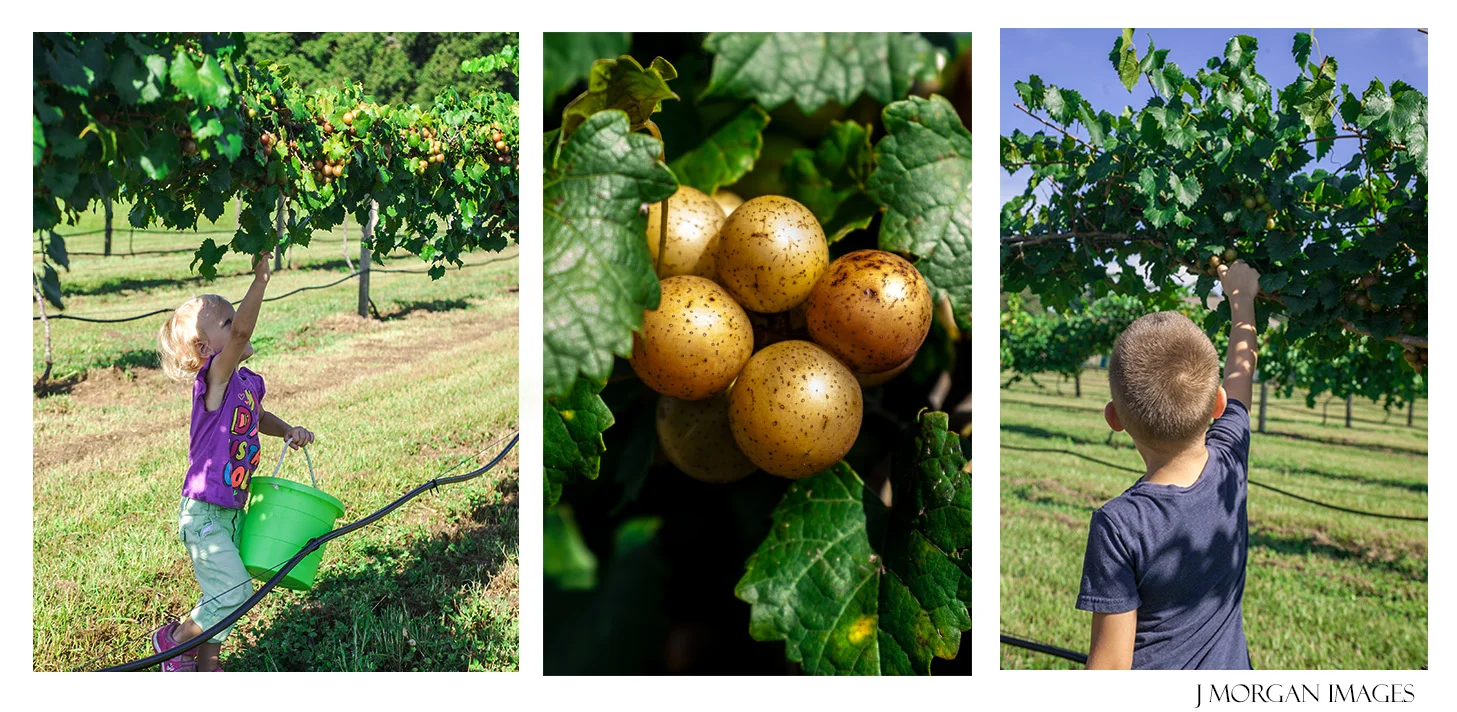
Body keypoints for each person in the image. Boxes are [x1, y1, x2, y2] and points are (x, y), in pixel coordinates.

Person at [1077, 260, 1262, 669]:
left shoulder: (1119, 525)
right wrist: (1242, 299)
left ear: (1115, 419)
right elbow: (1240, 375)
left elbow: (1109, 669)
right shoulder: (1230, 466)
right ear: (1217, 404)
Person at [151, 252, 315, 671]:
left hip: (231, 509)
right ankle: (173, 641)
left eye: (231, 320)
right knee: (236, 592)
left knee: (221, 595)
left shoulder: (245, 383)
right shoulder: (214, 381)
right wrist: (260, 280)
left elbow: (258, 418)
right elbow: (242, 333)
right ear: (207, 349)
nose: (237, 328)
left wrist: (288, 430)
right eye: (226, 323)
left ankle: (207, 670)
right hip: (204, 510)